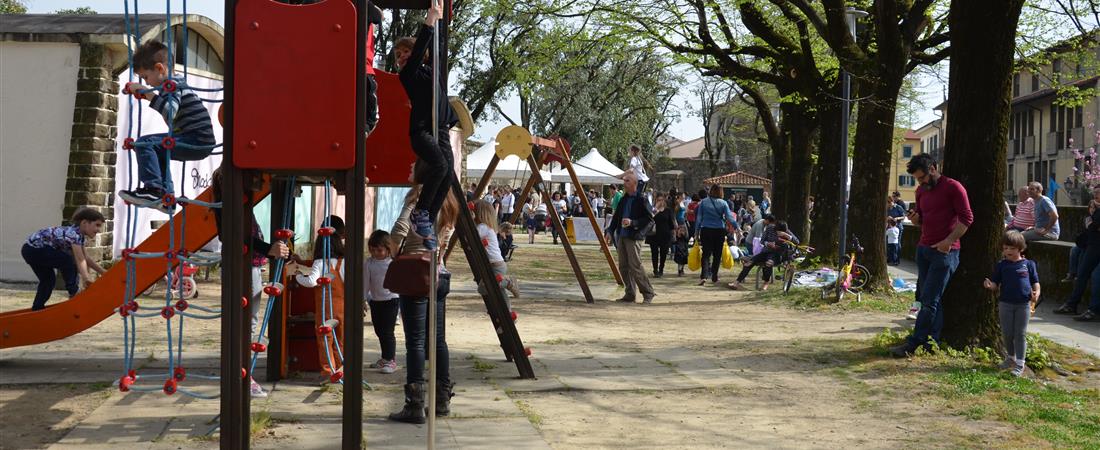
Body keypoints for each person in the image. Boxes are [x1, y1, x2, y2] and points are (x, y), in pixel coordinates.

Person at [389, 164, 460, 423]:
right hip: (439, 272)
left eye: (412, 167)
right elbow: (446, 236)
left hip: (416, 274)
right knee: (438, 340)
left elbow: (398, 232)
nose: (408, 169)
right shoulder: (448, 200)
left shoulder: (418, 198)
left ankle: (414, 404)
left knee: (416, 341)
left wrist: (396, 252)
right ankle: (441, 399)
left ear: (421, 172)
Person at [118, 40, 216, 213]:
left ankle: (153, 190)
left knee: (145, 143)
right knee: (160, 148)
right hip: (198, 139)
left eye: (146, 77)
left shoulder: (171, 85)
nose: (147, 83)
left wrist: (148, 94)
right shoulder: (173, 84)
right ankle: (165, 198)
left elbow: (170, 112)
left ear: (160, 68)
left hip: (196, 139)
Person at [890, 153, 973, 357]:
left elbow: (967, 218)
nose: (920, 182)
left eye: (922, 177)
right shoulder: (921, 191)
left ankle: (914, 343)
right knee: (926, 298)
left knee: (929, 300)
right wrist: (915, 219)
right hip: (924, 249)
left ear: (933, 168)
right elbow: (921, 221)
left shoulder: (953, 187)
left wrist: (948, 241)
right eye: (917, 179)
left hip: (945, 252)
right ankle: (931, 342)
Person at [393, 0, 458, 250]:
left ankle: (427, 219)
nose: (402, 57)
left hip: (440, 129)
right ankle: (421, 213)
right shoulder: (407, 75)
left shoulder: (432, 72)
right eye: (398, 55)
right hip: (422, 130)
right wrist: (429, 21)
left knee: (449, 173)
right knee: (439, 165)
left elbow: (434, 49)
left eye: (405, 52)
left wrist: (439, 20)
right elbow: (421, 49)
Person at [289, 215, 347, 383]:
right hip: (343, 306)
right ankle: (341, 369)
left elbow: (311, 281)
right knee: (341, 339)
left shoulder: (320, 262)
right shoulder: (343, 262)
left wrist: (298, 275)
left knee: (325, 339)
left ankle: (328, 371)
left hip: (325, 308)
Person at [21, 208, 107, 311]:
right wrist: (86, 278)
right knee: (68, 260)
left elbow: (86, 258)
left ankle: (37, 307)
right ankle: (74, 292)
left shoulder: (79, 236)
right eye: (97, 225)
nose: (99, 230)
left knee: (48, 280)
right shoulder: (73, 234)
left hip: (30, 250)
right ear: (84, 223)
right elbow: (80, 260)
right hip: (34, 249)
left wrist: (103, 272)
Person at [982, 231, 1040, 377]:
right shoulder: (1002, 265)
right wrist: (990, 286)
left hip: (1023, 305)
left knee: (1020, 334)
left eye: (1012, 249)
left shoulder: (1029, 265)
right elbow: (996, 284)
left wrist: (1036, 293)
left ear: (1020, 249)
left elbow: (1035, 282)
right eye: (1005, 248)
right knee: (1007, 333)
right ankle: (1010, 358)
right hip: (1005, 304)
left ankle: (1020, 363)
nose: (1008, 251)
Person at [604, 173, 656, 304]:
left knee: (635, 266)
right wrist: (610, 231)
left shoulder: (641, 199)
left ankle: (648, 292)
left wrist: (633, 223)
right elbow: (616, 218)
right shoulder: (623, 199)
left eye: (627, 180)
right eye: (624, 180)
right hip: (622, 235)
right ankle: (630, 293)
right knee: (623, 266)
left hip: (634, 237)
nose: (624, 183)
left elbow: (649, 219)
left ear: (634, 183)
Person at [1053, 186, 1100, 321]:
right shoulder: (1095, 210)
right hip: (1092, 247)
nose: (1095, 195)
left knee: (1096, 277)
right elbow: (1090, 227)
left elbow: (1093, 226)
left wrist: (1093, 224)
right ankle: (1072, 304)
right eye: (1095, 193)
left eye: (1098, 193)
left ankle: (1093, 310)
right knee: (1082, 274)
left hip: (1094, 248)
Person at [364, 230, 401, 374]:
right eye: (372, 250)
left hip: (392, 300)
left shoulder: (392, 263)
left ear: (388, 249)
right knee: (379, 330)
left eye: (379, 250)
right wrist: (363, 299)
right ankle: (384, 358)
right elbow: (365, 283)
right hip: (376, 301)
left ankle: (391, 360)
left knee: (387, 332)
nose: (376, 253)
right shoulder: (369, 263)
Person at [474, 199, 520, 300]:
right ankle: (506, 309)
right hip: (495, 264)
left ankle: (509, 282)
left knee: (487, 288)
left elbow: (473, 237)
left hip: (496, 265)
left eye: (474, 212)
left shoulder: (483, 227)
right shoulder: (486, 227)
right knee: (494, 290)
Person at [729, 215, 788, 291]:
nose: (778, 233)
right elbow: (762, 241)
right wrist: (768, 244)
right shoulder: (770, 228)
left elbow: (796, 241)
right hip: (765, 252)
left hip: (776, 254)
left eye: (780, 231)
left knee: (769, 263)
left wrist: (786, 236)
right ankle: (736, 282)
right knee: (749, 263)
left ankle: (766, 282)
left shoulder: (786, 231)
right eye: (777, 231)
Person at [694, 185, 737, 286]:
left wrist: (696, 232)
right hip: (719, 230)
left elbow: (699, 219)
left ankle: (703, 276)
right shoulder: (723, 203)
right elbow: (729, 217)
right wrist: (737, 226)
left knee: (706, 254)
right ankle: (714, 277)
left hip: (706, 229)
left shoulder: (703, 202)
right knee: (717, 254)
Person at [646, 193, 677, 278]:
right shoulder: (652, 210)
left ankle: (661, 269)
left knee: (663, 253)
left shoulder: (668, 210)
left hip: (665, 234)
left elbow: (671, 222)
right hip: (654, 234)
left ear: (664, 201)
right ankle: (655, 269)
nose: (659, 202)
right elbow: (649, 219)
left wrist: (673, 232)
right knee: (654, 253)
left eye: (661, 200)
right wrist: (656, 209)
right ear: (655, 201)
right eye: (658, 200)